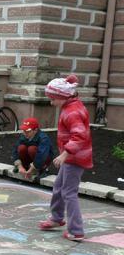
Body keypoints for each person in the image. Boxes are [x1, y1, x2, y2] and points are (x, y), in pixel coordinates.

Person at [39, 74, 92, 242]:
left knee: (69, 192)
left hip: (74, 158)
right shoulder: (70, 106)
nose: (51, 102)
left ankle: (76, 231)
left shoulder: (73, 112)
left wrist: (65, 154)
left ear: (62, 97)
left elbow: (79, 136)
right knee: (59, 186)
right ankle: (56, 218)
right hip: (71, 157)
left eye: (53, 99)